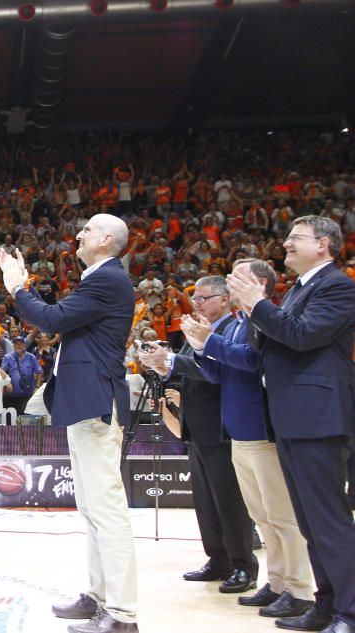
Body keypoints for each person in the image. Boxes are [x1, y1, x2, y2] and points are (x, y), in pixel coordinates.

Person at [0, 213, 138, 633]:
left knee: (106, 509)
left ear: (107, 239)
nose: (78, 235)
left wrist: (17, 288)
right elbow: (62, 317)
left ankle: (122, 614)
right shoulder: (101, 279)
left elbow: (54, 319)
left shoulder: (108, 279)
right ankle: (99, 597)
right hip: (85, 403)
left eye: (88, 230)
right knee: (93, 508)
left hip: (96, 402)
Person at [228, 216, 355, 633]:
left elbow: (302, 336)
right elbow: (271, 342)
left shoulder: (338, 285)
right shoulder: (301, 289)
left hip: (317, 417)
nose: (284, 243)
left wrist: (258, 306)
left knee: (329, 520)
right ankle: (327, 603)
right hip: (292, 417)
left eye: (294, 238)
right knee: (310, 522)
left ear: (323, 244)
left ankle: (349, 612)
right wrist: (255, 311)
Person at [182, 259, 314, 618]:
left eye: (236, 277)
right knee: (262, 516)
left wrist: (211, 342)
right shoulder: (239, 323)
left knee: (281, 517)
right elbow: (217, 372)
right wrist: (200, 346)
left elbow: (253, 361)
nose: (230, 282)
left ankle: (300, 589)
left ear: (258, 283)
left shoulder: (265, 320)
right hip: (238, 432)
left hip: (262, 431)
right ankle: (277, 583)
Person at [140, 276, 256, 594]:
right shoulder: (197, 331)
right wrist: (164, 368)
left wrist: (173, 361)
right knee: (206, 503)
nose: (198, 303)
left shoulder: (233, 330)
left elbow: (213, 373)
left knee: (230, 503)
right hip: (197, 426)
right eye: (195, 298)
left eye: (204, 297)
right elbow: (190, 370)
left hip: (221, 426)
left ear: (224, 299)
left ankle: (244, 565)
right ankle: (218, 559)